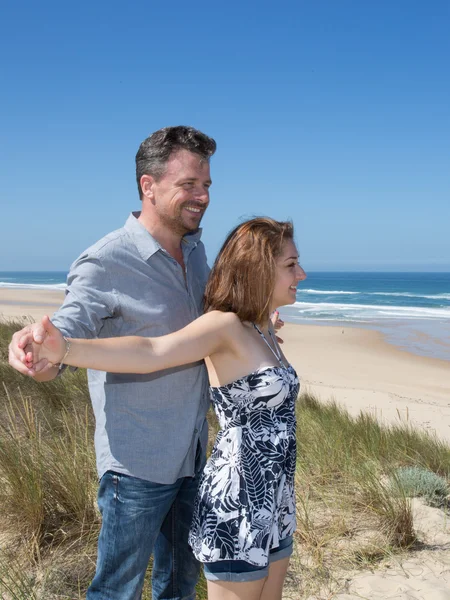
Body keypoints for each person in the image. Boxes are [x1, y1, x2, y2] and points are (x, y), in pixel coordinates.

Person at [22, 217, 307, 600]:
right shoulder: (222, 327)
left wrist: (266, 321)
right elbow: (152, 351)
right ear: (258, 267)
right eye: (290, 264)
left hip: (275, 497)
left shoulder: (261, 327)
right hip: (238, 499)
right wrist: (66, 349)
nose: (301, 273)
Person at [8, 126, 216, 600]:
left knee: (181, 585)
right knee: (116, 591)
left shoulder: (196, 250)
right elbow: (68, 326)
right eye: (189, 185)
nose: (202, 196)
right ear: (149, 186)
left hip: (194, 451)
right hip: (136, 465)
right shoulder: (105, 261)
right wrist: (39, 351)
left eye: (206, 185)